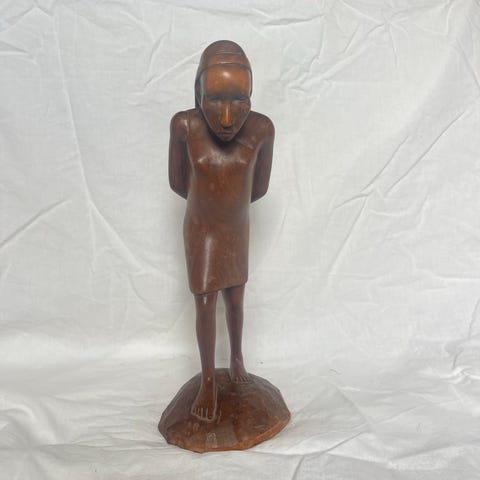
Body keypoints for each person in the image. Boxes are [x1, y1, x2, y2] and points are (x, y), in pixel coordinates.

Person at [168, 40, 274, 422]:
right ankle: (209, 379)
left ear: (251, 96)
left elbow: (258, 189)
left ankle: (237, 358)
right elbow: (178, 182)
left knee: (236, 298)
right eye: (214, 100)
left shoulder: (262, 129)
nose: (228, 118)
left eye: (240, 100)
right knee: (205, 303)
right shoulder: (184, 126)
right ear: (198, 93)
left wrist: (230, 207)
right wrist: (210, 206)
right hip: (202, 230)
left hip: (236, 227)